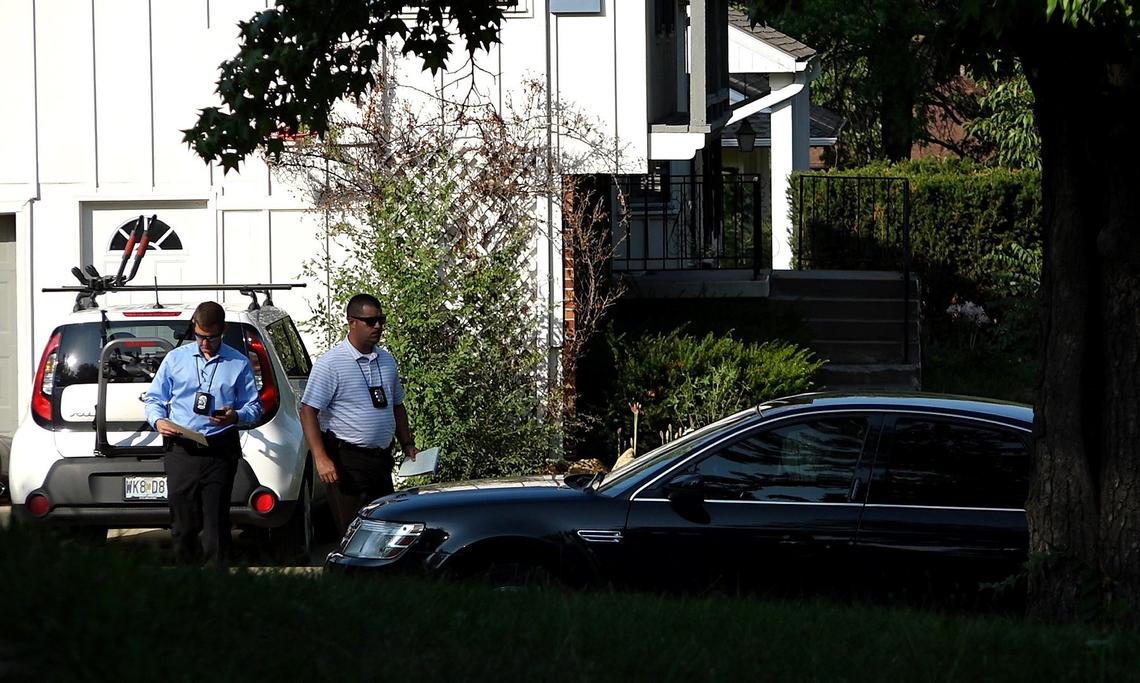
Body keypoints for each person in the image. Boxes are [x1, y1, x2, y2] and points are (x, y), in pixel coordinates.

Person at [145, 301, 261, 567]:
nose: (205, 343)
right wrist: (158, 420)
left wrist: (236, 416)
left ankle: (215, 588)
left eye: (212, 337)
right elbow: (154, 398)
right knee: (183, 525)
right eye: (200, 336)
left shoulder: (238, 362)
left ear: (223, 330)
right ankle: (187, 583)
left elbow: (254, 406)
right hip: (181, 449)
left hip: (219, 450)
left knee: (215, 527)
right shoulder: (176, 359)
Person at [300, 293, 418, 535]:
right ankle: (349, 573)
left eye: (381, 320)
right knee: (353, 531)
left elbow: (397, 405)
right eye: (370, 321)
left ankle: (378, 574)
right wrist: (321, 458)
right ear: (351, 322)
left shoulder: (386, 360)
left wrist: (407, 443)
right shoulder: (332, 364)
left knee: (385, 526)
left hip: (381, 459)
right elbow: (308, 411)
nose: (378, 326)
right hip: (347, 458)